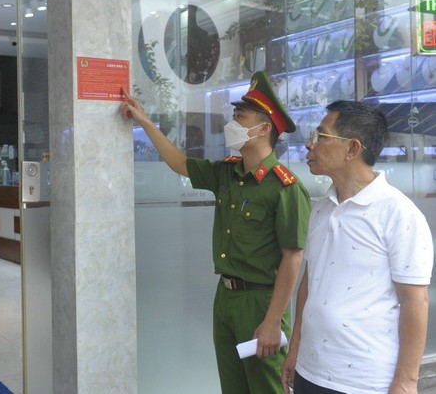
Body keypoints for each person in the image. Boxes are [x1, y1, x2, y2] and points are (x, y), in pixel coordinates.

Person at [120, 71, 312, 393]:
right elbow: (180, 163)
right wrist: (144, 121)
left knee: (266, 386)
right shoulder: (228, 173)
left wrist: (272, 320)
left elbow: (293, 258)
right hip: (225, 297)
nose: (232, 122)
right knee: (233, 386)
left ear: (264, 128)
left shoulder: (285, 189)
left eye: (240, 116)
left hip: (260, 302)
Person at [281, 100, 433, 394]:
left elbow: (415, 301)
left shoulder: (399, 214)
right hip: (309, 371)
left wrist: (406, 380)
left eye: (321, 137)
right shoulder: (322, 208)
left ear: (352, 149)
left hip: (363, 381)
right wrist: (295, 348)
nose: (309, 146)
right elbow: (309, 283)